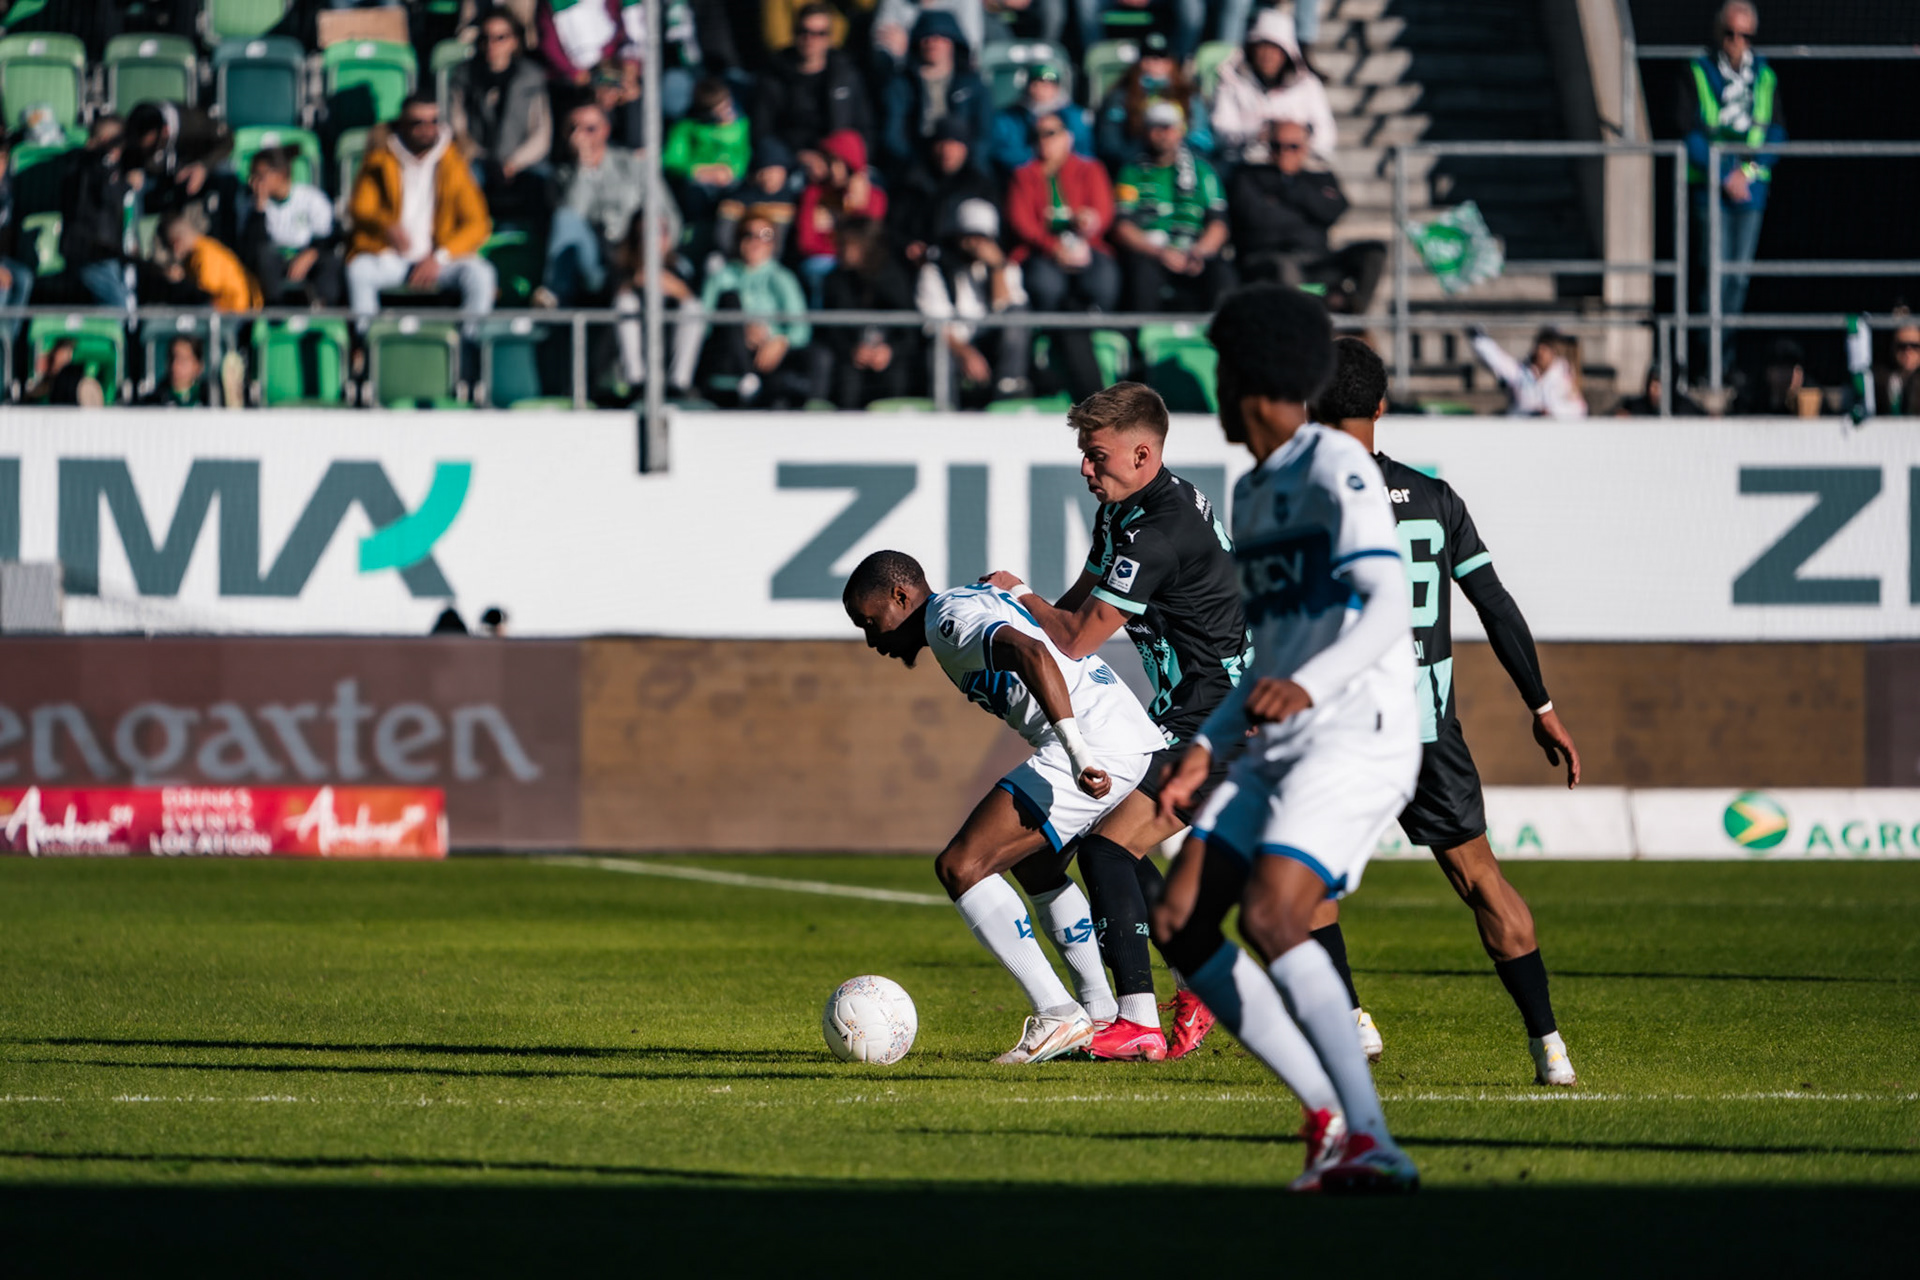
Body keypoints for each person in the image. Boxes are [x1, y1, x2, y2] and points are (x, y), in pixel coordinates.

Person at [1150, 283, 1422, 1194]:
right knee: (1180, 921)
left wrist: (1306, 687)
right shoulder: (1256, 489)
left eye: (1223, 373)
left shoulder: (1332, 467)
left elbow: (1387, 607)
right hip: (1282, 738)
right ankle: (1331, 1118)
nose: (1215, 393)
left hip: (1360, 731)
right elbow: (1275, 651)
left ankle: (1372, 1140)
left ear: (1251, 379)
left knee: (1271, 913)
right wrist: (1210, 743)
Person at [1310, 336, 1582, 1085]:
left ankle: (1350, 1017)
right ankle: (1550, 1048)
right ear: (1382, 405)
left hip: (1346, 729)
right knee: (1482, 880)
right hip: (1428, 727)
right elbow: (1494, 602)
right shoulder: (1434, 496)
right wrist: (1543, 705)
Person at [980, 381, 1252, 1061]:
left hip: (1221, 721)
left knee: (1106, 846)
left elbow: (1074, 637)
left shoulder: (1158, 531)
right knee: (1111, 842)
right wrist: (1028, 606)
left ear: (1141, 452)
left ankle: (1138, 1020)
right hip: (1190, 716)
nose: (1085, 468)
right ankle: (1197, 983)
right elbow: (1075, 603)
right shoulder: (1130, 511)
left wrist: (1021, 598)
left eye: (1096, 456)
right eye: (1082, 454)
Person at [843, 551, 1167, 1064]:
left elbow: (1032, 652)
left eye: (870, 622)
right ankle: (1100, 1012)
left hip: (1093, 744)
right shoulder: (967, 604)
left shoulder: (946, 620)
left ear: (901, 597)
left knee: (961, 866)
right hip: (1121, 733)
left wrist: (1078, 753)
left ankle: (1058, 1012)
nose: (872, 640)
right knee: (1036, 864)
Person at [1682, 1, 1784, 378]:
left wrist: (1747, 172)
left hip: (1751, 192)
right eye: (1730, 33)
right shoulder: (1697, 70)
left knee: (1738, 278)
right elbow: (1689, 130)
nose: (1737, 42)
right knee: (1714, 274)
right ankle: (1704, 362)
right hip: (1712, 188)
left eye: (1745, 36)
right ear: (1719, 34)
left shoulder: (1766, 76)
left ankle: (1724, 360)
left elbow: (1776, 132)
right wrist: (1725, 175)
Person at [346, 94, 497, 325]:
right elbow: (360, 208)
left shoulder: (454, 162)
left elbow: (478, 223)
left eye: (434, 121)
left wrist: (439, 256)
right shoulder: (380, 159)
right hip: (392, 256)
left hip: (440, 258)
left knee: (481, 275)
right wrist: (387, 227)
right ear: (403, 124)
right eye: (418, 122)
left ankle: (469, 349)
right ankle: (369, 344)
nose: (428, 128)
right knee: (359, 271)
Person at [1006, 111, 1117, 400]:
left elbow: (1103, 211)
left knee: (1103, 279)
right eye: (1040, 135)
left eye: (1052, 133)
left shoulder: (1090, 169)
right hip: (1043, 253)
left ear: (1068, 138)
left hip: (1085, 249)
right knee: (1046, 285)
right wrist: (1052, 246)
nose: (1045, 141)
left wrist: (1087, 225)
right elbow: (1021, 221)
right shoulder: (1024, 175)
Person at [1229, 118, 1382, 314]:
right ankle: (1301, 328)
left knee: (1373, 252)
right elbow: (1258, 220)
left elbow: (1334, 210)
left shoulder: (1320, 175)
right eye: (1277, 146)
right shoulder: (1247, 175)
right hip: (1268, 258)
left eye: (1293, 146)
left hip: (1316, 257)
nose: (1285, 153)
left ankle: (1355, 321)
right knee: (1285, 267)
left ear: (1306, 146)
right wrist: (1304, 208)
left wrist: (1289, 189)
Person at [1111, 102, 1232, 313]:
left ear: (1181, 130)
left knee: (1223, 277)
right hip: (1151, 252)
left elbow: (1218, 224)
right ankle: (1143, 340)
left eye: (1168, 127)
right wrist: (1159, 253)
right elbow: (1124, 227)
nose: (1162, 134)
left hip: (1194, 250)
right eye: (1156, 127)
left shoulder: (1203, 172)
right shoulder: (1131, 173)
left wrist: (1200, 252)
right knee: (1141, 275)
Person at [916, 197, 1030, 401]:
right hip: (955, 347)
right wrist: (966, 353)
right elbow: (936, 324)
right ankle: (945, 409)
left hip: (993, 344)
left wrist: (996, 269)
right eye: (970, 236)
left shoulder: (1006, 268)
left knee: (1018, 314)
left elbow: (1007, 309)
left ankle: (1008, 391)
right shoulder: (935, 270)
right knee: (937, 354)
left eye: (982, 238)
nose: (975, 245)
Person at [539, 103, 651, 307]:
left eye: (590, 129)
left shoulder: (632, 164)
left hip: (633, 254)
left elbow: (667, 214)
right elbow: (573, 213)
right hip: (593, 261)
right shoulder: (561, 176)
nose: (581, 136)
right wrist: (584, 168)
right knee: (565, 218)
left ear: (605, 130)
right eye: (573, 129)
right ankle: (554, 299)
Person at [695, 212, 812, 407]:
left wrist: (778, 339)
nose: (756, 241)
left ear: (773, 243)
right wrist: (740, 331)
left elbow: (801, 328)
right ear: (737, 240)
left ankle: (751, 381)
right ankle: (745, 377)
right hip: (727, 355)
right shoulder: (721, 277)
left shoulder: (782, 278)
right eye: (747, 234)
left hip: (768, 357)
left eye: (765, 235)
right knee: (729, 301)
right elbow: (702, 323)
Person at [450, 7, 552, 219]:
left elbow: (542, 132)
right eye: (487, 37)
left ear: (514, 41)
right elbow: (458, 126)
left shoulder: (531, 77)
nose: (492, 45)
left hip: (522, 161)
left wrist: (513, 163)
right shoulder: (465, 75)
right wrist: (483, 158)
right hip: (479, 159)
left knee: (545, 184)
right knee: (460, 179)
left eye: (501, 38)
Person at [755, 4, 875, 183]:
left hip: (840, 161)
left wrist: (853, 166)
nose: (810, 39)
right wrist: (799, 156)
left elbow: (865, 128)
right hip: (791, 163)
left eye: (820, 33)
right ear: (794, 33)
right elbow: (762, 131)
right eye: (804, 31)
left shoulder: (846, 75)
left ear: (829, 37)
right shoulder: (773, 76)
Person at [1208, 7, 1335, 166]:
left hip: (1299, 171)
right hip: (1245, 168)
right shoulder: (1230, 81)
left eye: (1275, 49)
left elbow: (1325, 136)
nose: (1268, 55)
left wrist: (1293, 141)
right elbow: (1221, 131)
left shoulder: (1308, 85)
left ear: (1287, 53)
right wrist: (1258, 136)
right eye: (1262, 47)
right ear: (1251, 49)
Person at [817, 217, 921, 408]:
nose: (842, 251)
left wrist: (890, 351)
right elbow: (830, 329)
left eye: (849, 244)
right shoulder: (835, 281)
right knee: (847, 380)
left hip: (890, 356)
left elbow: (910, 330)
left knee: (897, 378)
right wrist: (851, 350)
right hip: (851, 356)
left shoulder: (894, 278)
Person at [880, 9, 995, 176]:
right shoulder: (901, 85)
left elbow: (985, 134)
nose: (933, 43)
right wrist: (914, 165)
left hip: (965, 167)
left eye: (941, 37)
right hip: (914, 166)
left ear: (953, 42)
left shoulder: (973, 85)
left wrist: (967, 163)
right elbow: (892, 134)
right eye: (926, 38)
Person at [612, 204, 704, 398]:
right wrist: (634, 282)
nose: (654, 239)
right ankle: (636, 381)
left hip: (667, 344)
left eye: (660, 232)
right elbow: (608, 293)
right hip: (627, 357)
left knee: (693, 307)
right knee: (625, 302)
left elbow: (693, 298)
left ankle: (680, 383)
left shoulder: (681, 267)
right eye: (646, 233)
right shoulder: (620, 265)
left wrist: (678, 289)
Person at [887, 116, 998, 267]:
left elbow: (991, 235)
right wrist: (907, 246)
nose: (947, 151)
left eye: (954, 144)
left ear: (965, 148)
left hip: (964, 263)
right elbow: (893, 227)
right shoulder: (911, 182)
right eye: (942, 143)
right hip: (914, 264)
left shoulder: (980, 187)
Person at [1095, 31, 1212, 173]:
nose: (1154, 63)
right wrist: (1146, 154)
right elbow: (1110, 144)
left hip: (1183, 170)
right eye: (1148, 56)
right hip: (1134, 168)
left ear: (1172, 62)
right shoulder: (1121, 95)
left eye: (1161, 57)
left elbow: (1203, 143)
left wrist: (1172, 155)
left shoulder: (1189, 96)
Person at [793, 129, 888, 302]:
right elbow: (806, 242)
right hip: (824, 263)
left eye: (834, 162)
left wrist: (857, 205)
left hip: (860, 266)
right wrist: (840, 253)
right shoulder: (814, 194)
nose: (829, 168)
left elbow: (869, 243)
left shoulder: (874, 197)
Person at [241, 148, 344, 307]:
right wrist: (259, 211)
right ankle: (274, 314)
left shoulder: (311, 198)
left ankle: (324, 313)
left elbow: (330, 236)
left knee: (331, 262)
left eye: (260, 176)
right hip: (276, 262)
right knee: (265, 258)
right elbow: (251, 249)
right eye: (252, 176)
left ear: (281, 174)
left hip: (308, 257)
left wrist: (310, 254)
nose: (254, 182)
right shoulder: (252, 206)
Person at [59, 115, 138, 307]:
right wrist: (127, 184)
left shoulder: (78, 161)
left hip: (96, 251)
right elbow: (108, 196)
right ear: (106, 140)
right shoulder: (99, 164)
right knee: (117, 306)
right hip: (93, 252)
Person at [664, 77, 753, 229]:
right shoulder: (686, 127)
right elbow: (672, 162)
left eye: (727, 105)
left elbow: (744, 157)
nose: (727, 113)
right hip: (698, 182)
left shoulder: (741, 125)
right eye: (718, 111)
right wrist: (701, 171)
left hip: (732, 182)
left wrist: (731, 172)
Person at [987, 64, 1092, 178]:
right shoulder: (1009, 117)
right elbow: (1002, 154)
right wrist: (1039, 154)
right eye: (1036, 83)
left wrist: (1059, 158)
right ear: (1028, 87)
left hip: (1066, 178)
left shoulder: (1074, 116)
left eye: (1048, 84)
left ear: (1057, 88)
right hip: (1023, 177)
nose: (1041, 89)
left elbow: (1086, 155)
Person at [1468, 324, 1586, 419]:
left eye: (1547, 347)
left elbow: (1578, 410)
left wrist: (1551, 413)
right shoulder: (1521, 372)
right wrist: (1479, 339)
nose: (1541, 351)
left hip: (1555, 435)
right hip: (1522, 432)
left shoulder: (1566, 377)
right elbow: (1497, 360)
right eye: (1540, 345)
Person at [157, 208, 262, 313]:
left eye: (169, 248)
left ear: (176, 244)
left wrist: (180, 281)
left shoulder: (204, 258)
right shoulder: (203, 247)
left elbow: (203, 296)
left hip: (238, 312)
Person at [137, 334, 208, 407]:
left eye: (183, 359)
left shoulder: (211, 399)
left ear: (198, 366)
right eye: (172, 358)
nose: (175, 365)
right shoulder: (151, 403)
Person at [1875, 320, 1920, 417]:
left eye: (1915, 346)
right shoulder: (1879, 380)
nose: (1908, 351)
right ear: (1893, 348)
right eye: (1902, 346)